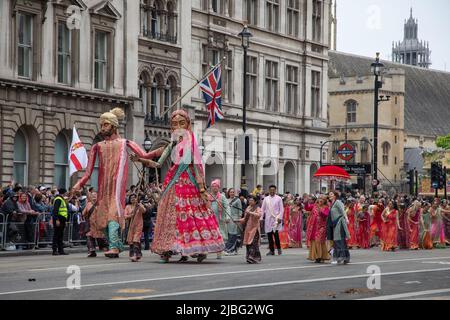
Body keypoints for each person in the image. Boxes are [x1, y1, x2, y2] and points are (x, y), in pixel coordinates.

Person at [131, 110, 225, 263]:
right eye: (174, 124)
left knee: (191, 215)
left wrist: (201, 188)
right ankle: (167, 248)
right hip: (173, 183)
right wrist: (140, 160)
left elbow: (196, 166)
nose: (178, 127)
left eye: (182, 123)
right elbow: (157, 163)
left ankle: (196, 248)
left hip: (189, 184)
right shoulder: (171, 144)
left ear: (188, 125)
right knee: (168, 216)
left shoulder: (191, 143)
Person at [73, 108, 159, 258]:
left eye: (105, 125)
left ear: (113, 126)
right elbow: (88, 172)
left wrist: (161, 151)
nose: (102, 128)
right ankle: (118, 245)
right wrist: (78, 184)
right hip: (102, 191)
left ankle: (113, 246)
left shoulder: (125, 142)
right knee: (102, 223)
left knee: (112, 217)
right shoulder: (97, 146)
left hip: (116, 190)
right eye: (101, 125)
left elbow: (144, 155)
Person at [327, 191, 350, 265]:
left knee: (338, 240)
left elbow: (342, 210)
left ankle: (339, 258)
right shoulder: (332, 204)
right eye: (329, 194)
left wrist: (346, 219)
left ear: (335, 195)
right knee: (339, 240)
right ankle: (345, 257)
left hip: (339, 222)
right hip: (335, 223)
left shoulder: (338, 202)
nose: (329, 195)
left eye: (331, 194)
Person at [82, 191, 108, 257]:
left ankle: (106, 249)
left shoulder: (101, 203)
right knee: (89, 236)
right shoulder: (88, 204)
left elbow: (104, 213)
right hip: (90, 224)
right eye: (92, 195)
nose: (93, 196)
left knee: (100, 238)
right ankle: (91, 251)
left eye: (95, 195)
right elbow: (83, 213)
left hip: (99, 224)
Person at [209, 179, 230, 259]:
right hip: (210, 219)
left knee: (221, 235)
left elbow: (227, 206)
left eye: (216, 186)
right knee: (210, 235)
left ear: (218, 187)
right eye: (213, 186)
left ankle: (220, 251)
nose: (214, 188)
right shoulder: (208, 196)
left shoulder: (222, 196)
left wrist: (228, 217)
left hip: (220, 219)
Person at [261, 185, 284, 256]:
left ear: (275, 190)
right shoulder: (266, 199)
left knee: (276, 235)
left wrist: (280, 218)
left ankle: (279, 249)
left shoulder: (279, 198)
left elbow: (281, 209)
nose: (272, 191)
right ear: (269, 190)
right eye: (271, 190)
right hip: (268, 219)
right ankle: (271, 250)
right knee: (269, 235)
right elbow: (262, 209)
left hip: (276, 219)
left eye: (273, 190)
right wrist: (261, 218)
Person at [307, 195, 330, 263]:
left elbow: (325, 215)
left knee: (319, 240)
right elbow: (307, 208)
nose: (320, 200)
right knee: (314, 240)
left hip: (321, 227)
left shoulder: (326, 207)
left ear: (325, 201)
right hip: (314, 227)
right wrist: (306, 202)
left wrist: (320, 210)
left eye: (322, 199)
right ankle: (316, 257)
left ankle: (320, 256)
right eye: (319, 198)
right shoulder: (314, 206)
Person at [240, 195, 262, 264]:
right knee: (248, 243)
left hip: (254, 228)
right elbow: (245, 218)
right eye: (249, 200)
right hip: (248, 228)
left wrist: (251, 213)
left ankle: (253, 257)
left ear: (255, 201)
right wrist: (238, 220)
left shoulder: (257, 208)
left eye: (252, 200)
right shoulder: (248, 208)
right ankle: (249, 256)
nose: (250, 201)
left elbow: (259, 215)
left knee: (253, 243)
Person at [125, 194, 146, 262]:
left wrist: (139, 205)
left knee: (135, 239)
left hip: (139, 225)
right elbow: (125, 216)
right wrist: (131, 215)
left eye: (134, 198)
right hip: (131, 225)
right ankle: (137, 254)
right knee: (131, 240)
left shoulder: (139, 205)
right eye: (131, 198)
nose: (133, 199)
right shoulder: (128, 207)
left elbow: (144, 211)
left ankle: (135, 254)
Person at [225, 188, 242, 255]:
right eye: (230, 192)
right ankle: (232, 249)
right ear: (228, 193)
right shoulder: (226, 200)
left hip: (235, 219)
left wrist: (239, 219)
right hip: (228, 219)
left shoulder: (237, 200)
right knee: (229, 234)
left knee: (233, 234)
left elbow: (240, 210)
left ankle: (231, 249)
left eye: (233, 192)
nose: (232, 193)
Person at [52, 188, 69, 256]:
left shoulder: (61, 199)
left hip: (62, 219)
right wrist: (57, 219)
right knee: (56, 235)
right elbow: (55, 210)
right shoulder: (58, 199)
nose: (66, 193)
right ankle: (55, 250)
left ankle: (61, 250)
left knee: (60, 235)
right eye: (66, 192)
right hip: (59, 219)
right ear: (64, 193)